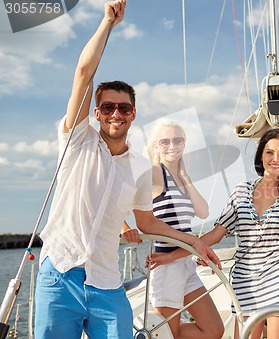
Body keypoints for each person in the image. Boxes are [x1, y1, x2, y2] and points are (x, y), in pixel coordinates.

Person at [34, 2, 219, 338]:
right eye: (108, 107)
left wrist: (193, 241)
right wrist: (108, 23)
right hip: (59, 272)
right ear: (97, 112)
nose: (115, 113)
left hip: (106, 281)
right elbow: (83, 72)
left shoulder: (140, 167)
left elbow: (146, 222)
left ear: (133, 113)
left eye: (123, 107)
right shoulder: (77, 141)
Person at [197, 129, 279, 339]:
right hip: (245, 282)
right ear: (261, 155)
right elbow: (216, 234)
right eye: (270, 152)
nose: (275, 159)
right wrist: (179, 251)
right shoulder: (241, 191)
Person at [122, 119, 223, 338]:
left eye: (177, 141)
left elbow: (203, 211)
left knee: (213, 330)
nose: (172, 146)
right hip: (166, 266)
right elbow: (117, 199)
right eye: (165, 141)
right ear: (156, 146)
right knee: (165, 333)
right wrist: (124, 227)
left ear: (184, 144)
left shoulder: (180, 178)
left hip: (186, 265)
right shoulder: (154, 173)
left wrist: (185, 178)